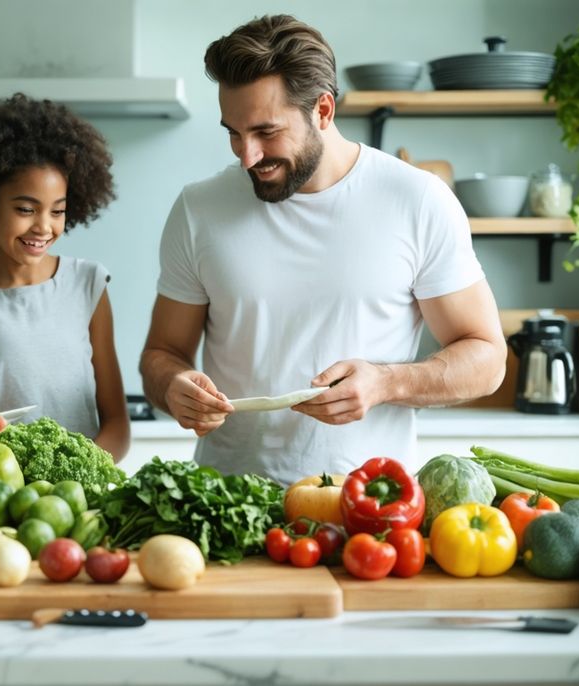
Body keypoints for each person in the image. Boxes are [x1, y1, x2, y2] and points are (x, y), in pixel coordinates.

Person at [139, 15, 506, 484]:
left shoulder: (417, 200)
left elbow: (488, 359)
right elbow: (161, 353)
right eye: (233, 132)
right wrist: (171, 385)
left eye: (266, 132)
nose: (246, 155)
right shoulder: (199, 208)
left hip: (365, 507)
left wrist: (386, 382)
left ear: (324, 110)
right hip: (227, 505)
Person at [0, 94, 131, 459]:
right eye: (25, 209)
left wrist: (83, 474)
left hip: (82, 503)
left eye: (58, 211)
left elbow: (116, 423)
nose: (43, 227)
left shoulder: (89, 284)